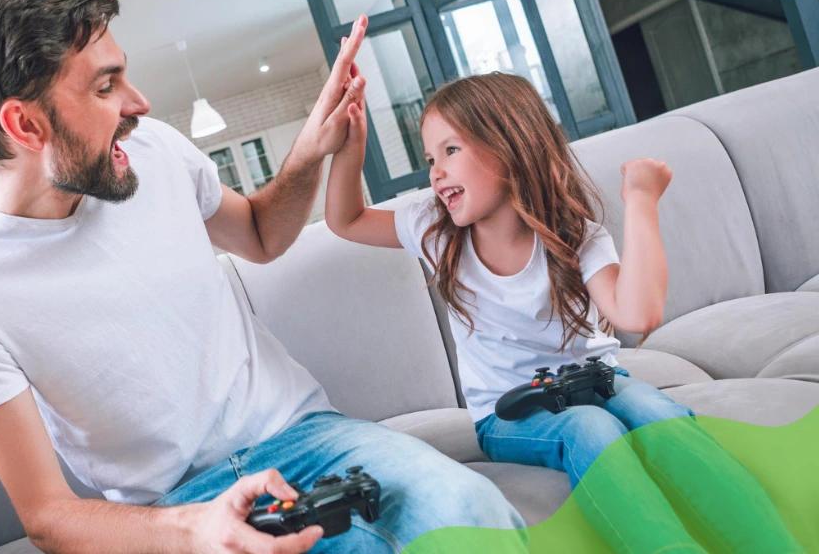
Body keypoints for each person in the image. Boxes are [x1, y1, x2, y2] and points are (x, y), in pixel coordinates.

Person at [0, 0, 525, 554]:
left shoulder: (150, 151)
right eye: (105, 88)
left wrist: (311, 147)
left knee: (469, 507)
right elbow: (47, 517)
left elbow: (260, 234)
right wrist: (196, 530)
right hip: (175, 505)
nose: (139, 104)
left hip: (309, 438)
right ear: (24, 124)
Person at [324, 71, 802, 553]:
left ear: (509, 145)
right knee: (587, 427)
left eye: (451, 151)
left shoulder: (576, 236)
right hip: (510, 412)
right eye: (430, 158)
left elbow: (638, 313)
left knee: (654, 409)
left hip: (599, 381)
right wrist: (352, 142)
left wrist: (640, 201)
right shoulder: (434, 228)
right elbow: (345, 219)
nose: (435, 172)